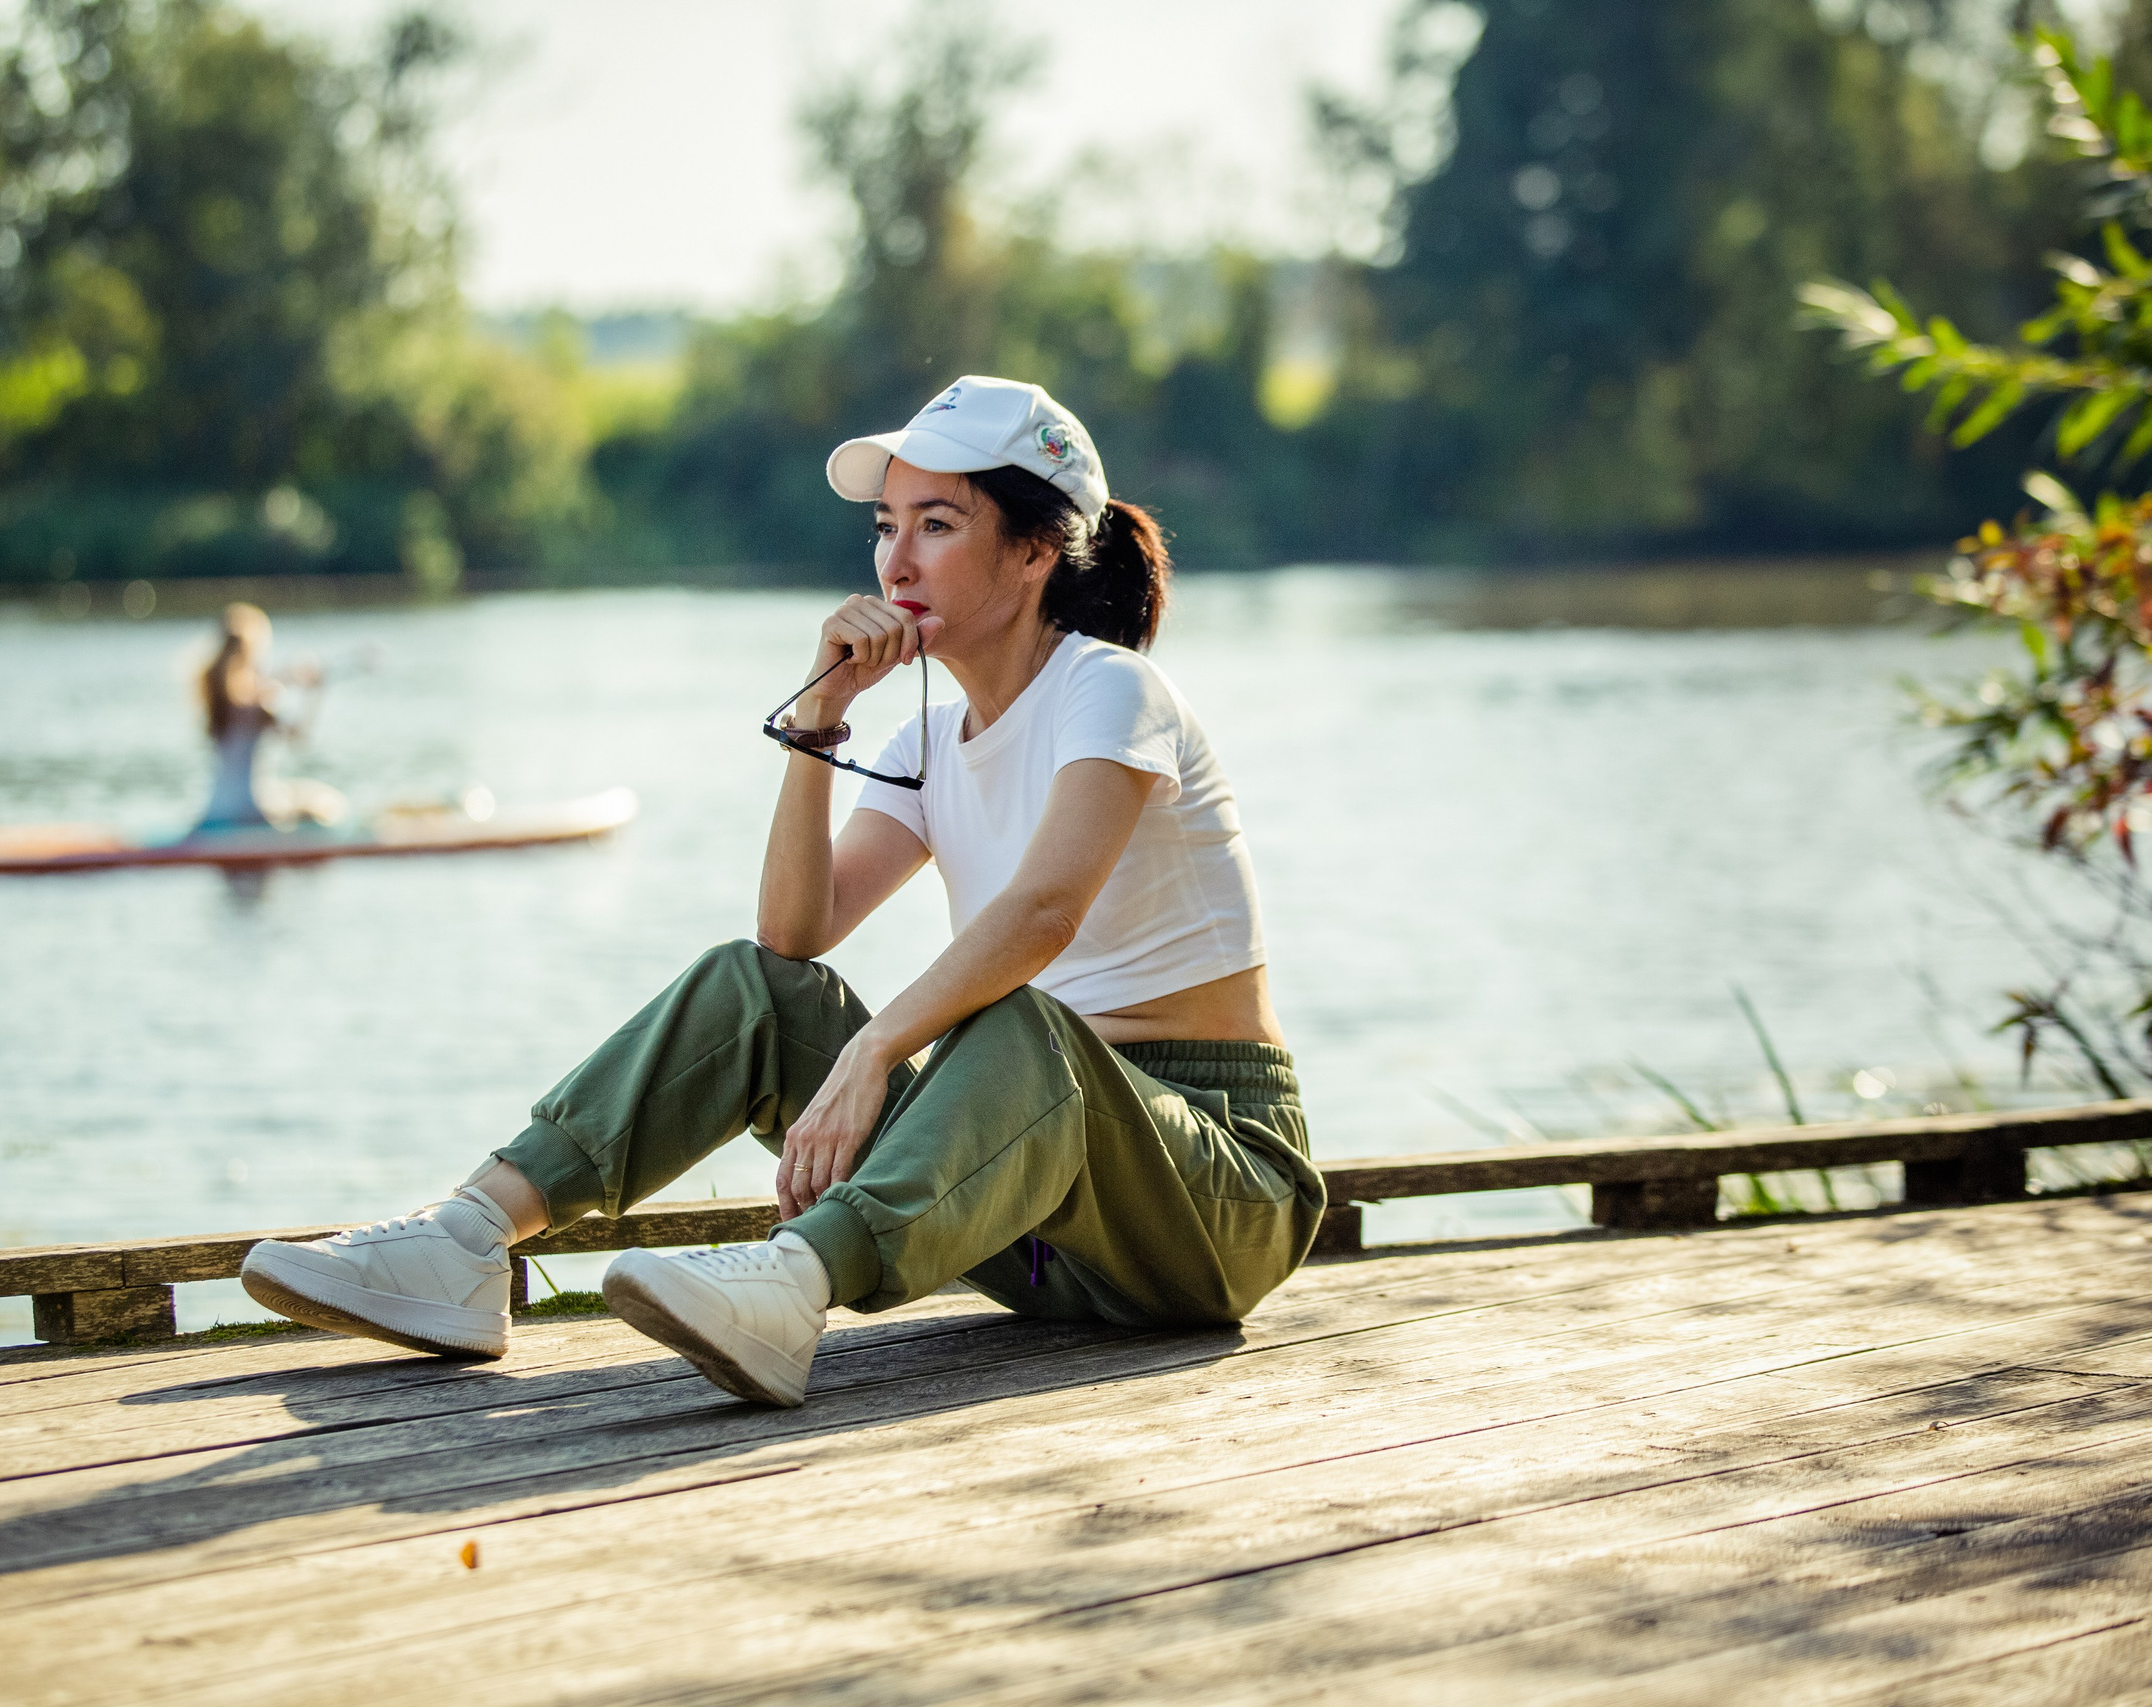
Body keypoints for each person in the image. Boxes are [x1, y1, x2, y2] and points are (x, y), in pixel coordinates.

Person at [240, 376, 1323, 1407]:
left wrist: (875, 1050)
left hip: (1214, 1203)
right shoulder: (927, 741)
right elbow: (793, 931)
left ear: (1037, 548)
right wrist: (819, 718)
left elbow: (1044, 914)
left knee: (1021, 1025)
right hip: (1034, 1228)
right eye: (886, 526)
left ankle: (792, 1282)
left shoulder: (1112, 690)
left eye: (937, 524)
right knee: (757, 987)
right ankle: (468, 1238)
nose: (898, 560)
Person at [191, 602, 343, 834]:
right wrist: (315, 693)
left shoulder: (215, 698)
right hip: (251, 812)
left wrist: (285, 679)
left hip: (215, 810)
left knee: (293, 792)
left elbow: (253, 691)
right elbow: (298, 738)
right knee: (326, 804)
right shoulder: (258, 706)